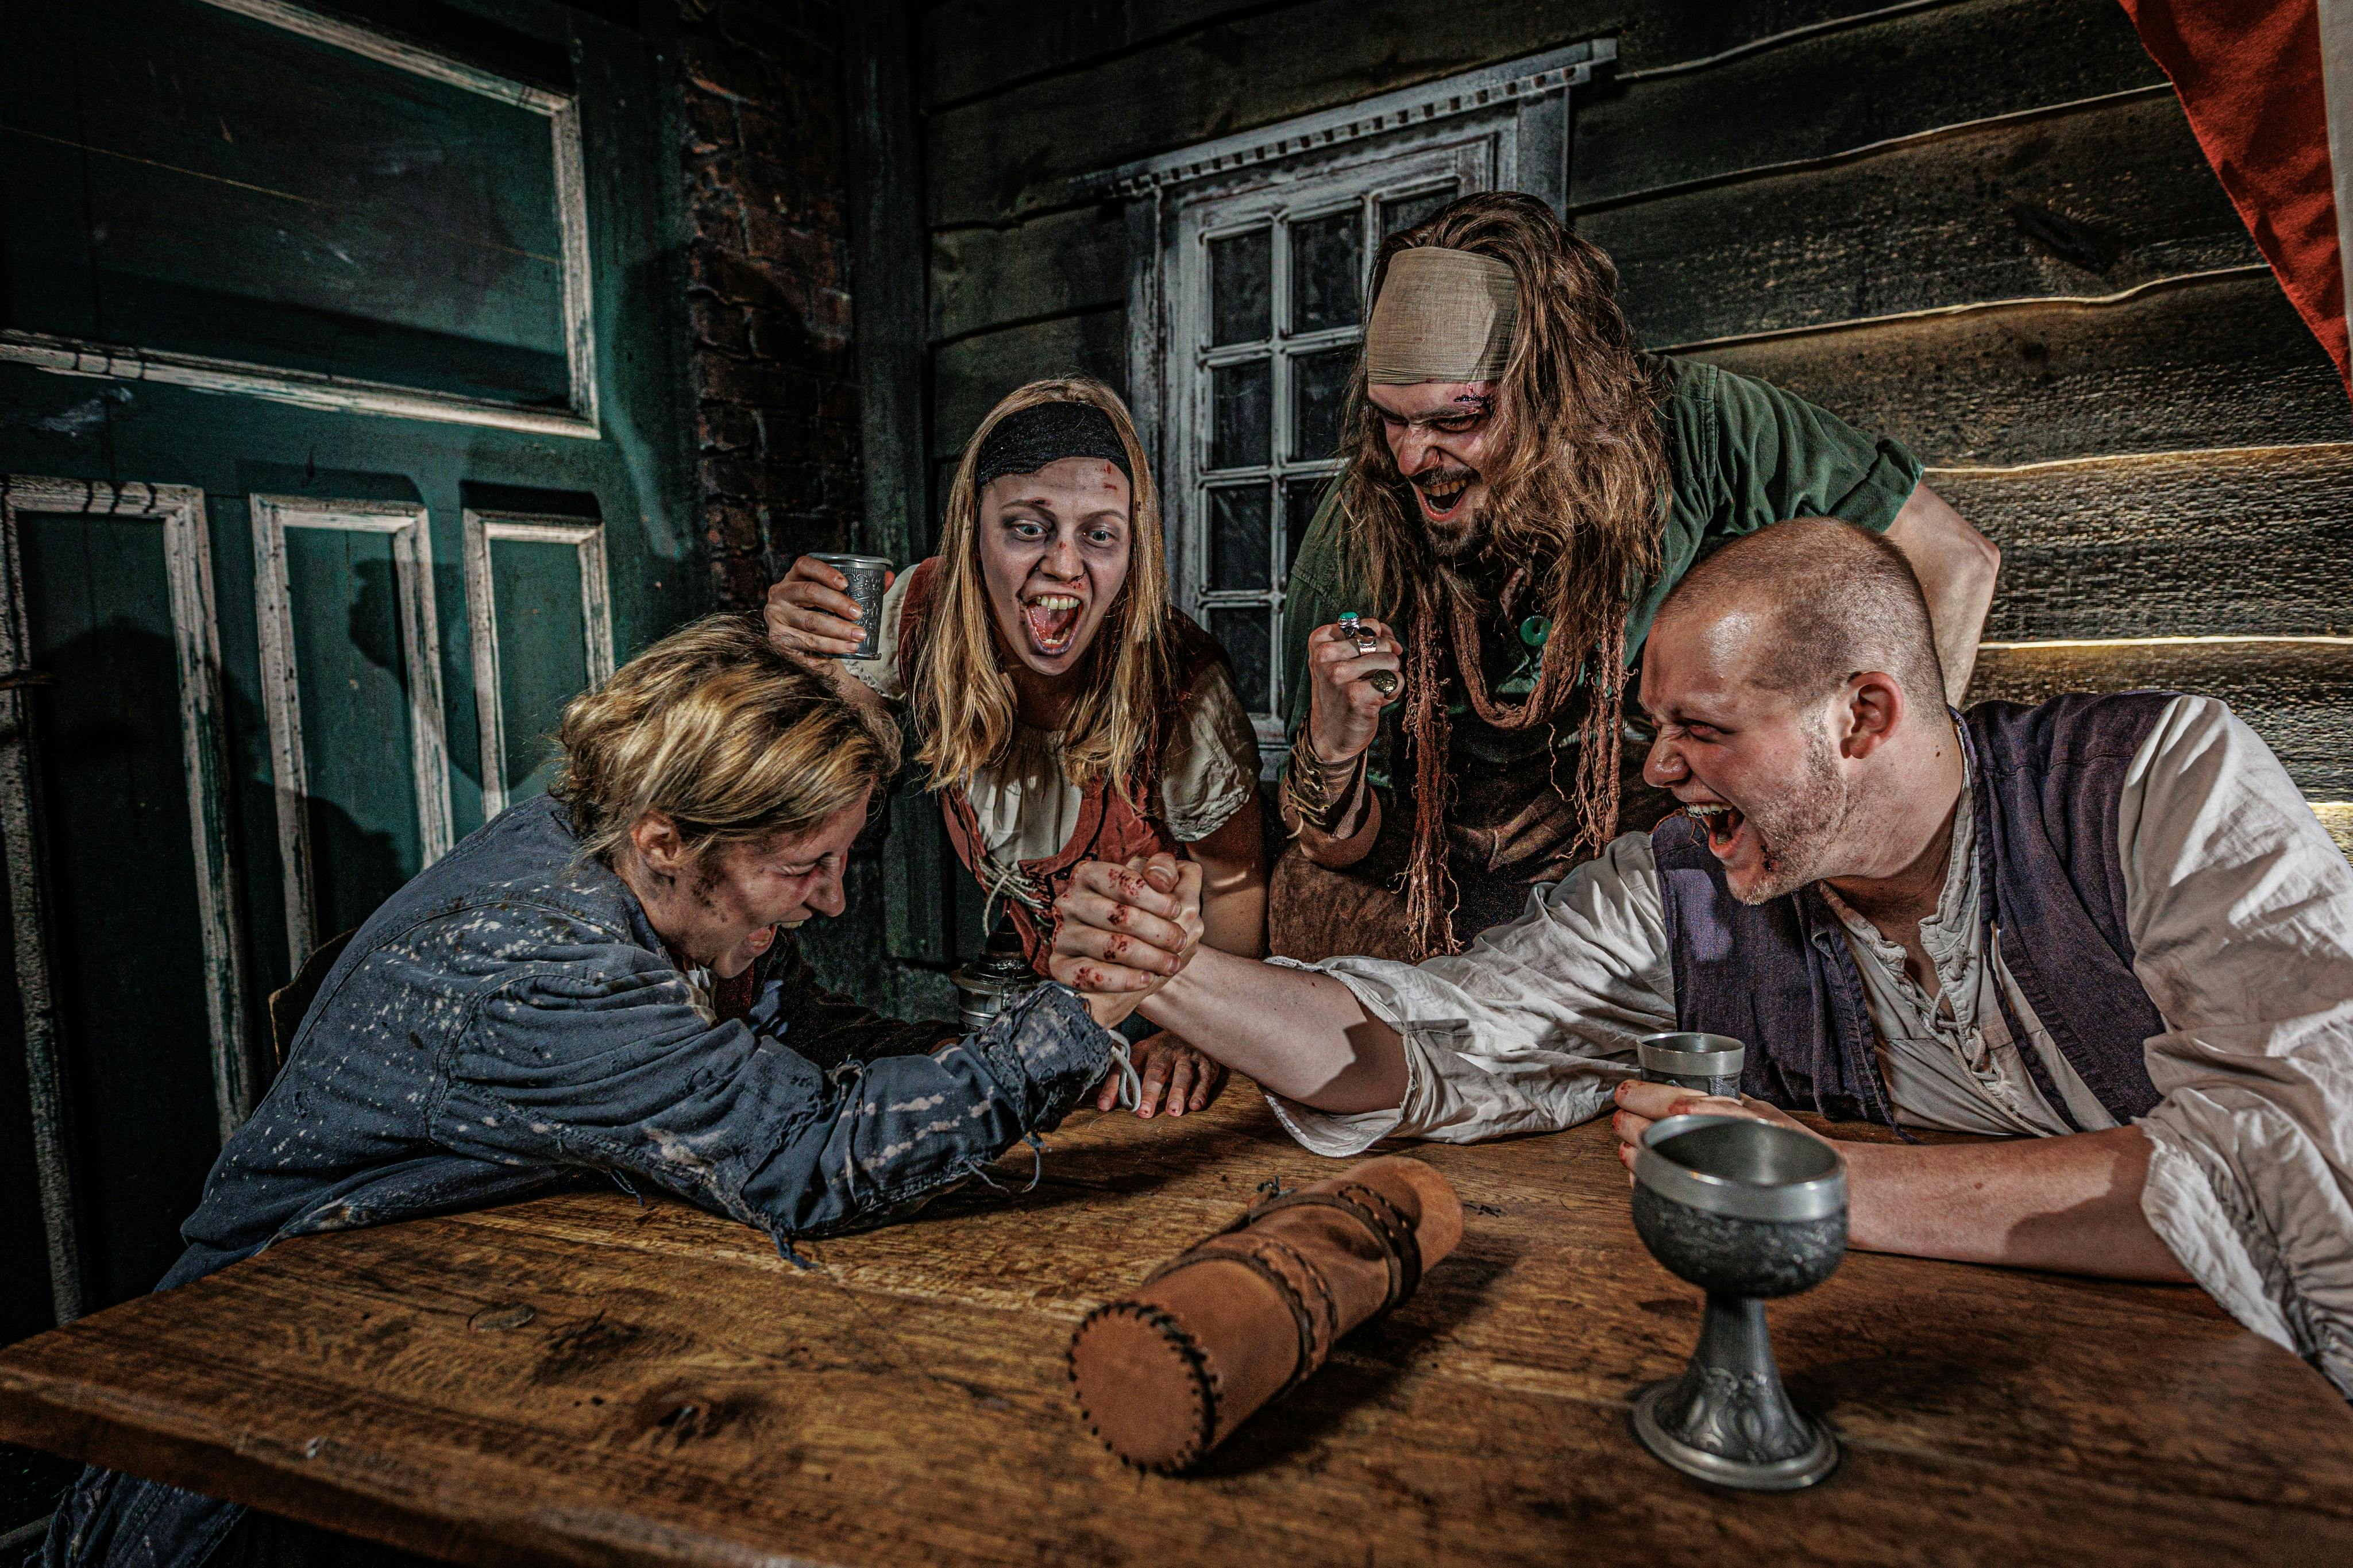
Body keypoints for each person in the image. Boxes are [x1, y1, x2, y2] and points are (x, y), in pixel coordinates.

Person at [1048, 519, 2353, 1397]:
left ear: (1862, 713)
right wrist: (1172, 973)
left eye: (1700, 729)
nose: (1658, 769)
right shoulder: (1685, 886)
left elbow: (2296, 1156)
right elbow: (1430, 1039)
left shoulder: (2155, 783)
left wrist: (1805, 1183)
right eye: (1648, 727)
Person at [44, 614, 1143, 1566]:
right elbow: (807, 1158)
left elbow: (800, 1036)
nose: (835, 899)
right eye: (805, 867)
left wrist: (1010, 1054)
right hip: (252, 1446)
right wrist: (1077, 1018)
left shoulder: (636, 857)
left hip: (428, 1337)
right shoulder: (540, 962)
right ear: (670, 838)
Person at [1276, 192, 2001, 962]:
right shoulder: (1363, 526)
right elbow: (1332, 847)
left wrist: (1879, 800)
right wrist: (1333, 745)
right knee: (1311, 910)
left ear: (1559, 393)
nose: (1413, 457)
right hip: (1444, 856)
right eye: (1393, 417)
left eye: (1457, 420)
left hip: (1652, 833)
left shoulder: (1702, 429)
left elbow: (1954, 560)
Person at [765, 377, 1264, 1119]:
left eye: (1099, 533)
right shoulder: (922, 615)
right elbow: (835, 745)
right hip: (1033, 1006)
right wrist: (796, 651)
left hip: (1158, 1010)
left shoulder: (1181, 690)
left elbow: (1234, 874)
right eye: (1028, 527)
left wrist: (1197, 1033)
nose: (1064, 565)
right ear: (973, 529)